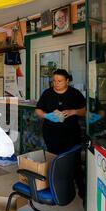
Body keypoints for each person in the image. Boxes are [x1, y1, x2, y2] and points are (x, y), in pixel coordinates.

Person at [35, 69, 86, 197]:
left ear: (67, 81)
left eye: (59, 81)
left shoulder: (75, 94)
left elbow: (84, 111)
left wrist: (73, 112)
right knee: (55, 161)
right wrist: (47, 115)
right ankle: (57, 190)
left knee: (75, 162)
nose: (56, 84)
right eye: (54, 81)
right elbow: (38, 110)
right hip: (51, 134)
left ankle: (81, 190)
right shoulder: (47, 93)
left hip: (71, 134)